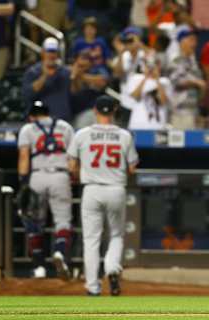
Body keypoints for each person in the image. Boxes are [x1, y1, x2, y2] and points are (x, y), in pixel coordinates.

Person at [67, 95, 139, 296]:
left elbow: (71, 165)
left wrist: (79, 172)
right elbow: (133, 168)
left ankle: (92, 287)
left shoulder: (82, 134)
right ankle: (112, 268)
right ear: (115, 110)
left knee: (91, 240)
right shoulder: (125, 135)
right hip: (116, 188)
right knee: (116, 234)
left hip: (91, 189)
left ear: (95, 111)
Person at [17, 100, 74, 280]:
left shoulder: (28, 128)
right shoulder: (65, 127)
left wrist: (23, 182)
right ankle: (59, 254)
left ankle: (39, 267)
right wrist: (73, 177)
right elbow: (73, 157)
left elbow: (24, 156)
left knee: (34, 222)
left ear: (32, 115)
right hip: (60, 175)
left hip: (37, 176)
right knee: (63, 220)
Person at [22, 37, 73, 122]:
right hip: (39, 121)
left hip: (61, 120)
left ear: (58, 54)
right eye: (48, 51)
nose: (51, 55)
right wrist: (44, 76)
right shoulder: (33, 72)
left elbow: (73, 95)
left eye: (53, 52)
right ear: (42, 53)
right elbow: (28, 95)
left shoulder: (65, 72)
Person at [167, 29, 206, 129]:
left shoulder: (194, 63)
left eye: (195, 41)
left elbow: (201, 87)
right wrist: (197, 82)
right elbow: (177, 82)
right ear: (182, 42)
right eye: (191, 40)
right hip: (179, 113)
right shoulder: (176, 60)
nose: (194, 44)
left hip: (193, 111)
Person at [125, 61, 173, 130]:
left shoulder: (165, 81)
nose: (151, 69)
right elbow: (135, 96)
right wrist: (145, 78)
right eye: (148, 66)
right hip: (137, 124)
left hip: (158, 125)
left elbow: (163, 101)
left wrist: (157, 79)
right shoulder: (135, 78)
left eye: (153, 67)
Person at [70, 49, 110, 129]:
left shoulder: (97, 70)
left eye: (86, 59)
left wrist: (80, 75)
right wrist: (74, 78)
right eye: (82, 59)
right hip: (78, 113)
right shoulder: (73, 74)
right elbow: (74, 91)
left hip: (95, 112)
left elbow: (102, 81)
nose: (84, 62)